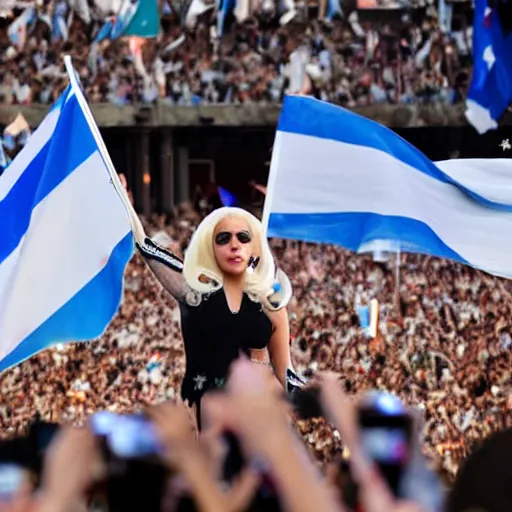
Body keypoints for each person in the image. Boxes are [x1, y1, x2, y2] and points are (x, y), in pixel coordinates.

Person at [134, 206, 303, 426]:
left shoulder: (271, 307)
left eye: (243, 238)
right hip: (213, 422)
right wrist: (125, 207)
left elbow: (287, 374)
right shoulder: (197, 295)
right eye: (223, 238)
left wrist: (318, 397)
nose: (234, 245)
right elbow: (147, 248)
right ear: (210, 248)